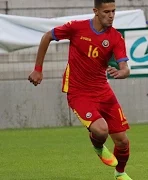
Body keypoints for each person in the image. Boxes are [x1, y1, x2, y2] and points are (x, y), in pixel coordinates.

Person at [28, 0, 133, 179]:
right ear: (96, 11)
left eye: (114, 11)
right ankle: (98, 146)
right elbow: (47, 36)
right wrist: (38, 69)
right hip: (78, 91)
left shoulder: (115, 37)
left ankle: (120, 173)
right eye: (107, 11)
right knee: (101, 130)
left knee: (123, 142)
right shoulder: (77, 28)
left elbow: (125, 67)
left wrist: (123, 72)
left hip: (103, 90)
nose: (111, 15)